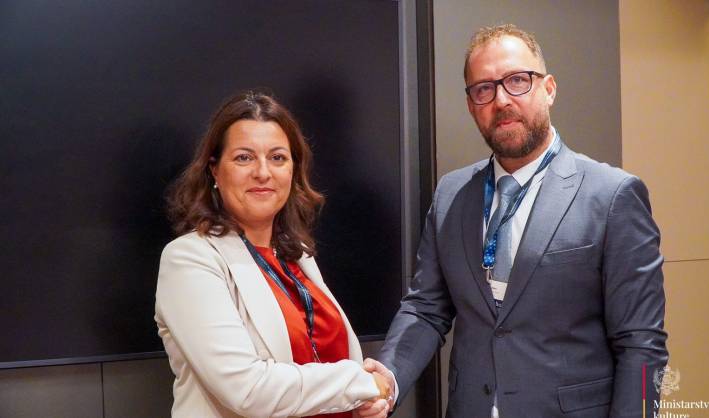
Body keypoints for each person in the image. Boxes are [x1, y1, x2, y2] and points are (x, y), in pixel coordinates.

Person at [360, 24, 668, 418]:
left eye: (518, 81)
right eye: (484, 89)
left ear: (549, 89)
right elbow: (425, 308)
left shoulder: (612, 196)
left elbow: (641, 343)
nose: (501, 99)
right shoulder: (451, 194)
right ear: (471, 104)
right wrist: (389, 379)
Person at [155, 91, 391, 418]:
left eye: (278, 157)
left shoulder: (298, 256)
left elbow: (329, 360)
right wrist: (360, 384)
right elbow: (248, 390)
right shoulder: (189, 259)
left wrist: (367, 401)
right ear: (214, 170)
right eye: (244, 158)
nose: (263, 172)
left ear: (293, 169)